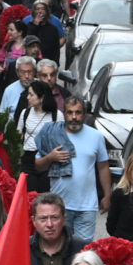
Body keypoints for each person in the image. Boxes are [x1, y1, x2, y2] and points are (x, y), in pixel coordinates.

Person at [30, 94, 111, 248]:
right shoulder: (51, 133)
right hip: (59, 206)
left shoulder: (96, 136)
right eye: (70, 112)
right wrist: (50, 157)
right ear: (64, 113)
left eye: (78, 112)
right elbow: (37, 166)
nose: (74, 117)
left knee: (82, 252)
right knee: (60, 248)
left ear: (84, 114)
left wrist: (107, 195)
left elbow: (103, 166)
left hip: (87, 207)